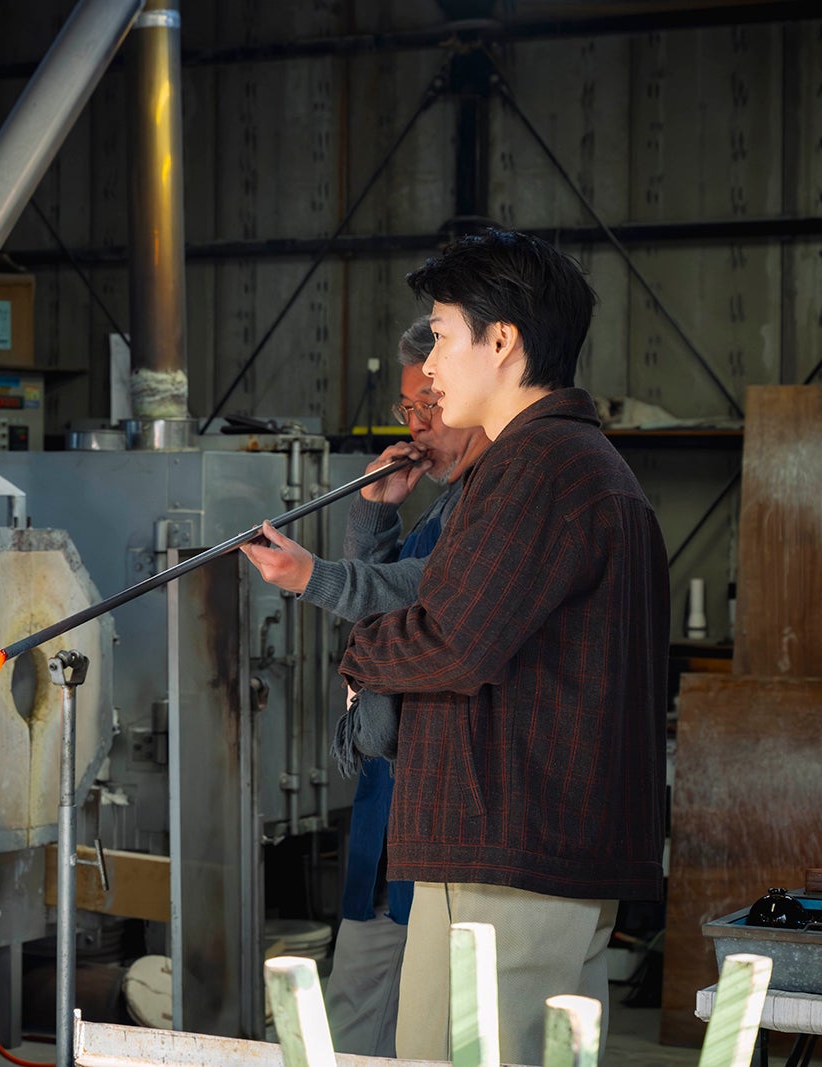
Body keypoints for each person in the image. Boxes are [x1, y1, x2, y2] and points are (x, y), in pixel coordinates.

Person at [337, 229, 669, 1064]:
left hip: (503, 860)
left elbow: (452, 642)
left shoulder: (539, 466)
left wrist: (360, 658)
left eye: (444, 334)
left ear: (503, 341)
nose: (433, 366)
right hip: (541, 856)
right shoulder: (573, 464)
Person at [241, 316, 490, 1057]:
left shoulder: (493, 505)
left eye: (428, 405)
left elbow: (419, 594)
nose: (417, 426)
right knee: (353, 1016)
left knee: (429, 1032)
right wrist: (377, 511)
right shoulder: (444, 505)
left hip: (447, 819)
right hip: (390, 815)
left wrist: (315, 577)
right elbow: (385, 604)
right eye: (408, 409)